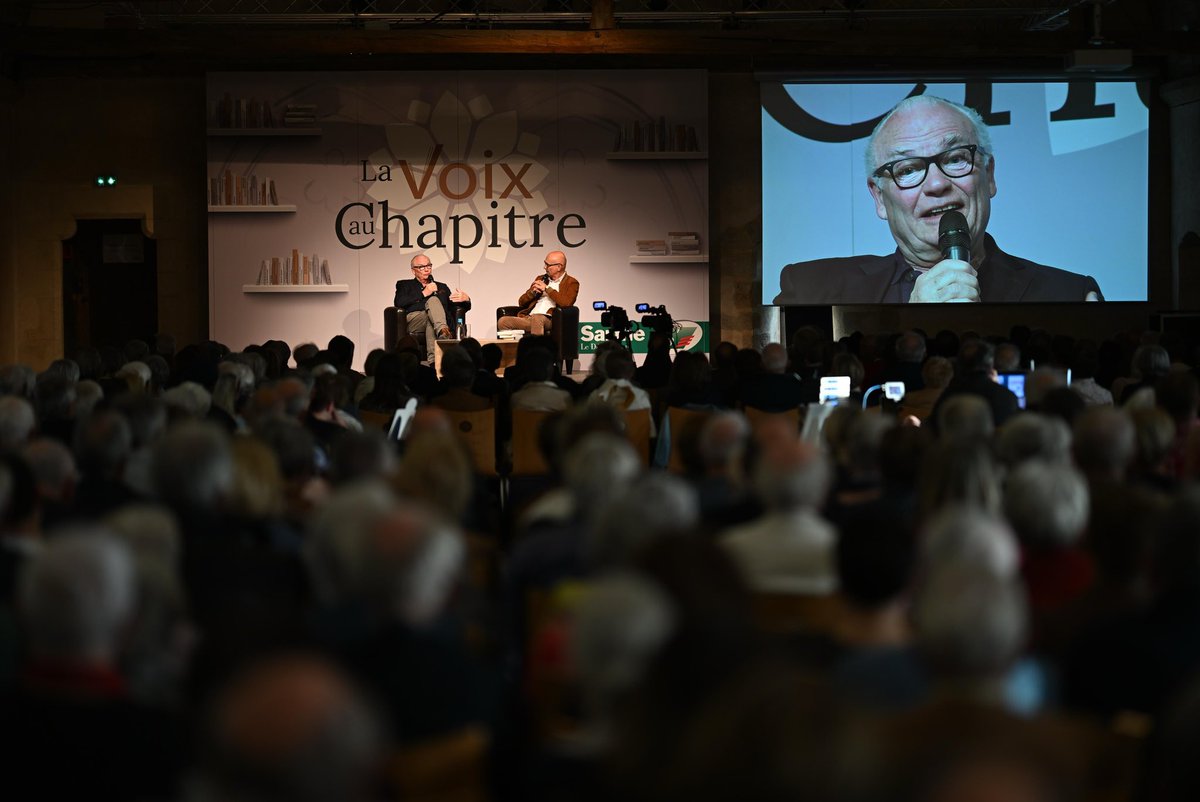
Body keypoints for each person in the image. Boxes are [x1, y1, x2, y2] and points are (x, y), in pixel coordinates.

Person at [774, 95, 1103, 304]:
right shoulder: (810, 290)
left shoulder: (1068, 295)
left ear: (988, 175)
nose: (936, 183)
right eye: (908, 169)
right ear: (878, 197)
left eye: (955, 158)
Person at [393, 254, 471, 362]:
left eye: (428, 266)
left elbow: (453, 308)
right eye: (421, 267)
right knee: (433, 301)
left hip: (434, 320)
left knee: (432, 319)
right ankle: (443, 331)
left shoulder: (441, 287)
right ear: (413, 271)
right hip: (414, 321)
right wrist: (424, 293)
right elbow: (399, 302)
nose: (426, 269)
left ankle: (434, 362)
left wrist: (466, 300)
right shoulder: (404, 284)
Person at [497, 250, 580, 336]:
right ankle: (517, 349)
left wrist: (547, 289)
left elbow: (566, 303)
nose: (544, 267)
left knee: (537, 318)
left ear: (559, 267)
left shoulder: (571, 282)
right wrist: (532, 293)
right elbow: (521, 302)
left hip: (551, 320)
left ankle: (537, 348)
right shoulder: (541, 278)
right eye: (545, 263)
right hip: (530, 318)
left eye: (548, 265)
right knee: (503, 322)